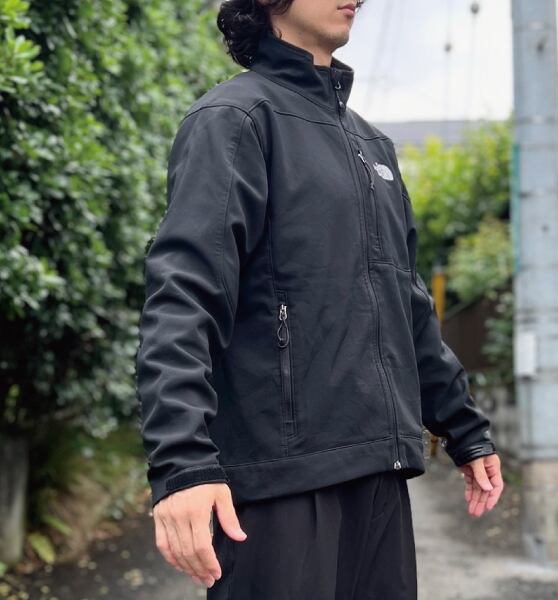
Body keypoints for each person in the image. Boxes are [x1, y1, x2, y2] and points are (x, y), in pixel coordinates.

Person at [135, 0, 505, 597]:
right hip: (279, 482)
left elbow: (406, 304)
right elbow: (184, 295)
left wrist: (464, 427)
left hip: (380, 474)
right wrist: (182, 465)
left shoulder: (372, 145)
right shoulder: (235, 118)